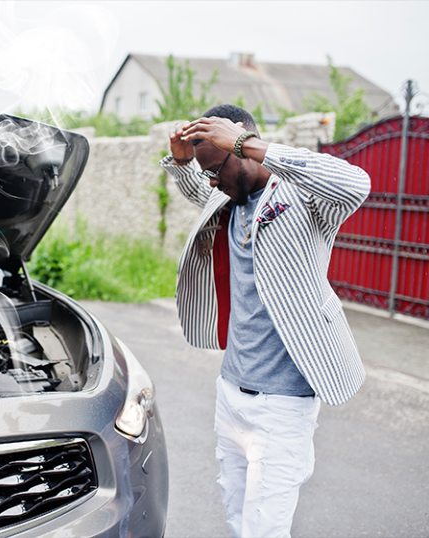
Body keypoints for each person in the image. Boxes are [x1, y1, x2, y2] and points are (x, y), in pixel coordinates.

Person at [159, 104, 370, 538]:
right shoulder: (228, 198)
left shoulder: (304, 198)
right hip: (231, 392)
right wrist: (183, 162)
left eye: (217, 168)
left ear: (242, 147)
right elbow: (201, 190)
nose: (211, 182)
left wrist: (247, 144)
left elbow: (355, 182)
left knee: (266, 528)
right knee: (238, 517)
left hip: (284, 404)